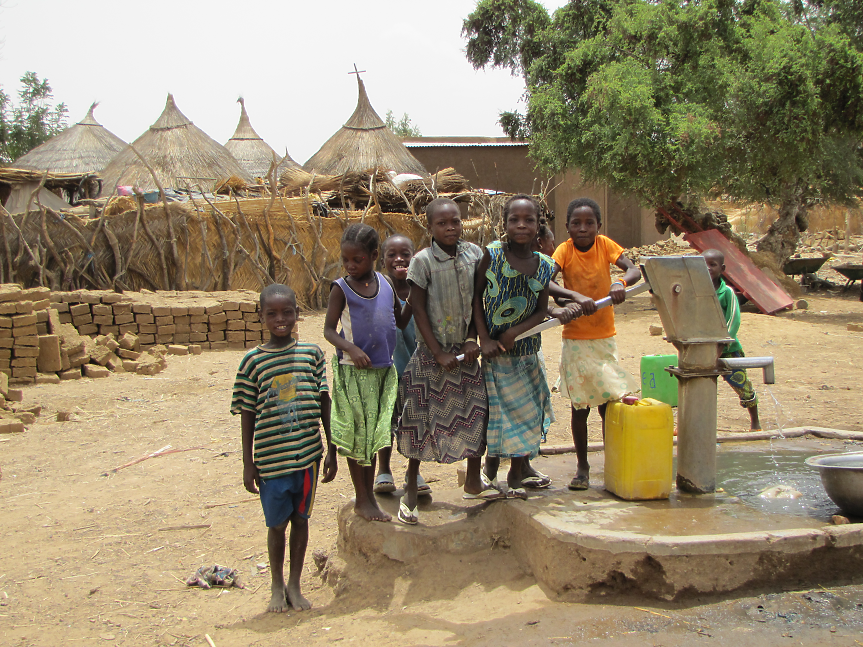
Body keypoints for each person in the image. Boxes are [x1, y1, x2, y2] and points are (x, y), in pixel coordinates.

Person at [231, 284, 337, 613]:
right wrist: (248, 463)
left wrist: (332, 448)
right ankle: (277, 585)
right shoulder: (252, 362)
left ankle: (295, 583)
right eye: (272, 313)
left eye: (287, 312)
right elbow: (247, 412)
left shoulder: (312, 354)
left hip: (307, 456)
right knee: (276, 524)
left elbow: (324, 403)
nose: (281, 319)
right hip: (271, 461)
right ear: (260, 316)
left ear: (297, 314)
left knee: (301, 520)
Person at [396, 197, 495, 525]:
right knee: (420, 420)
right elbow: (419, 310)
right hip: (431, 355)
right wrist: (438, 351)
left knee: (476, 412)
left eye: (455, 221)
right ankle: (411, 485)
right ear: (430, 227)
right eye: (442, 223)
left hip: (464, 353)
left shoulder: (476, 255)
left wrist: (471, 338)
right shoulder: (422, 262)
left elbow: (476, 301)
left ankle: (472, 478)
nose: (451, 227)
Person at [552, 197, 641, 491]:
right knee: (581, 407)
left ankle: (610, 461)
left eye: (589, 223)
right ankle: (582, 466)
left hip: (604, 337)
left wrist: (619, 284)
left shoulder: (605, 245)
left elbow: (632, 269)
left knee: (607, 404)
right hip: (576, 338)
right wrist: (572, 300)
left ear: (599, 226)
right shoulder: (563, 251)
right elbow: (549, 284)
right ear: (567, 228)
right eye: (576, 223)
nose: (583, 228)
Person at [474, 194, 560, 498]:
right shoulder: (492, 255)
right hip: (496, 354)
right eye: (515, 220)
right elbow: (476, 299)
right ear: (504, 223)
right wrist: (485, 339)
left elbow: (540, 311)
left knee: (530, 411)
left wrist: (517, 332)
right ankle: (492, 471)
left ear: (539, 226)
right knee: (501, 415)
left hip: (527, 351)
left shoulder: (545, 265)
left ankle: (519, 471)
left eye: (529, 220)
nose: (521, 225)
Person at [323, 223, 410, 522]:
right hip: (354, 372)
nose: (349, 265)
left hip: (383, 371)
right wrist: (351, 348)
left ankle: (367, 495)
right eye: (345, 259)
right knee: (357, 436)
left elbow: (400, 320)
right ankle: (363, 498)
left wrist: (418, 290)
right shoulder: (341, 289)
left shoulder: (385, 283)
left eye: (357, 260)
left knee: (374, 436)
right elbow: (328, 331)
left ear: (374, 256)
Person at [373, 235, 431, 497]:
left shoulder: (422, 290)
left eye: (405, 254)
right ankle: (383, 469)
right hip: (386, 370)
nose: (399, 259)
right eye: (392, 254)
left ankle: (412, 471)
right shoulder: (376, 290)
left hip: (416, 368)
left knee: (415, 421)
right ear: (382, 259)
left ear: (414, 257)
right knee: (385, 420)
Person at [704, 248, 762, 431]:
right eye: (703, 264)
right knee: (698, 389)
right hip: (703, 348)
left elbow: (733, 321)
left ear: (722, 268)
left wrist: (720, 348)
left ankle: (755, 423)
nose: (707, 268)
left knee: (742, 385)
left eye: (712, 265)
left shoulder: (727, 293)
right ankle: (695, 426)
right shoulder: (696, 291)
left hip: (728, 350)